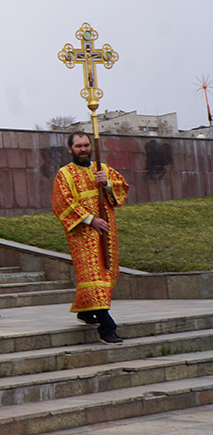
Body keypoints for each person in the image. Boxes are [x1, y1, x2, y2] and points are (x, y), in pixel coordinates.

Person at [52, 131, 129, 344]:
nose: (83, 149)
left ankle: (86, 312)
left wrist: (106, 184)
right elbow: (62, 203)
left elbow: (121, 190)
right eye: (78, 146)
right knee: (92, 275)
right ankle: (107, 328)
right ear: (70, 149)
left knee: (108, 271)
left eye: (86, 145)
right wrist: (89, 219)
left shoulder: (102, 169)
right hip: (83, 234)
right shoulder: (64, 174)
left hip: (107, 231)